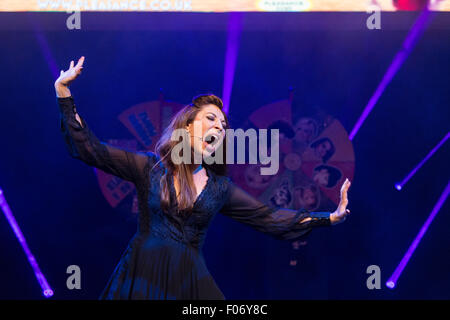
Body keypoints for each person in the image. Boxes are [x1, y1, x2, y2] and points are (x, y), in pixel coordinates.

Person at [54, 56, 352, 300]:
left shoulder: (219, 188)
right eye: (211, 119)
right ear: (186, 128)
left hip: (189, 281)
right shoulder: (150, 168)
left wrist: (329, 217)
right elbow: (90, 149)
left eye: (223, 125)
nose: (219, 127)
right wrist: (64, 92)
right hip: (143, 273)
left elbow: (269, 217)